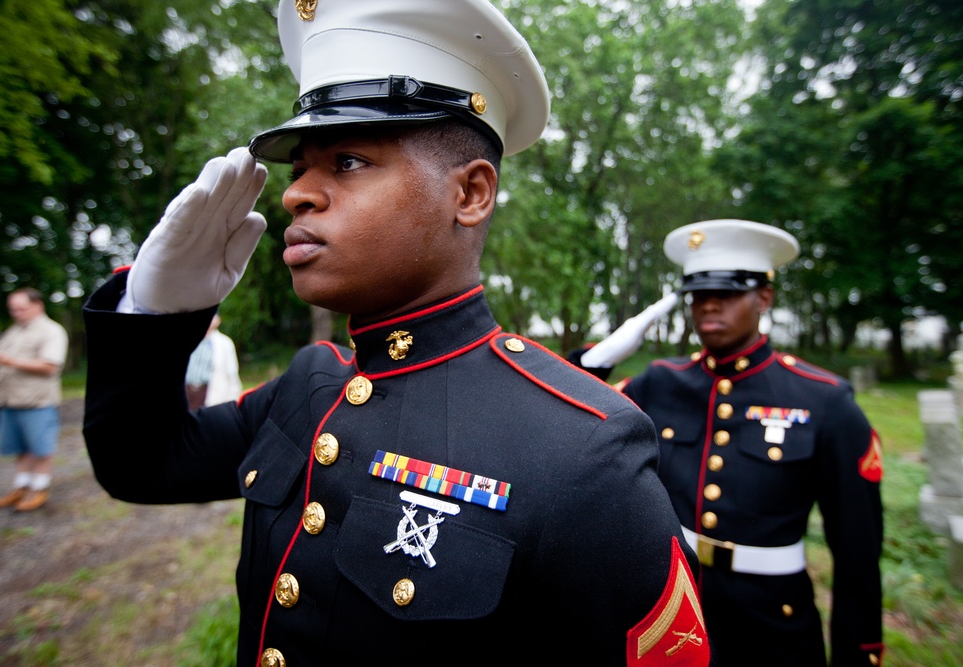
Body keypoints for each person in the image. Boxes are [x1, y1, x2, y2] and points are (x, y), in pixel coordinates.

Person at [81, 1, 710, 664]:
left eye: (348, 161)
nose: (297, 194)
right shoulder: (309, 386)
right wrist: (154, 314)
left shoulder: (584, 448)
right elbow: (139, 462)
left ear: (469, 194)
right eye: (299, 169)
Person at [575, 219, 884, 666]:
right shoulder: (661, 383)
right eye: (698, 294)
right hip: (673, 613)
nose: (709, 306)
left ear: (764, 297)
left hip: (772, 623)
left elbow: (857, 551)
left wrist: (859, 655)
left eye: (728, 292)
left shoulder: (823, 401)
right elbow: (574, 412)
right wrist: (597, 359)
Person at [0, 287, 69, 512]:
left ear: (38, 305)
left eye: (22, 308)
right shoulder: (14, 331)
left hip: (37, 402)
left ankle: (39, 489)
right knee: (20, 447)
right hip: (10, 400)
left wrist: (9, 360)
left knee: (41, 448)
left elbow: (50, 365)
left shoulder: (51, 331)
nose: (17, 313)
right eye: (13, 309)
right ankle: (21, 486)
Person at [185, 313, 243, 409]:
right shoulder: (189, 339)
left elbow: (232, 374)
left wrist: (233, 400)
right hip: (187, 392)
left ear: (218, 320)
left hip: (210, 392)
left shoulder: (224, 343)